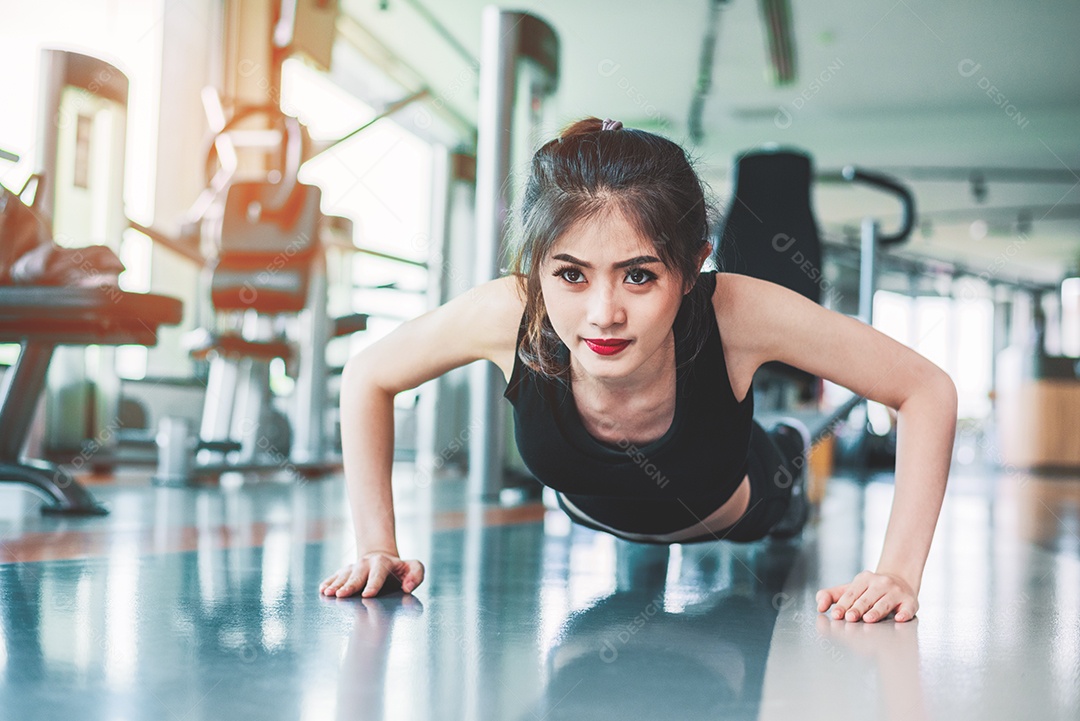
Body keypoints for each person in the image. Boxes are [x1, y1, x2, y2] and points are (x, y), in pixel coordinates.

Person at [319, 117, 958, 624]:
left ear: (691, 267)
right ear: (536, 265)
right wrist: (378, 545)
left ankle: (785, 444)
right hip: (601, 511)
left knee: (780, 468)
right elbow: (368, 375)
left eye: (639, 275)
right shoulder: (509, 312)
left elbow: (924, 388)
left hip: (741, 508)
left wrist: (897, 572)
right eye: (570, 274)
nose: (603, 314)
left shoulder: (737, 310)